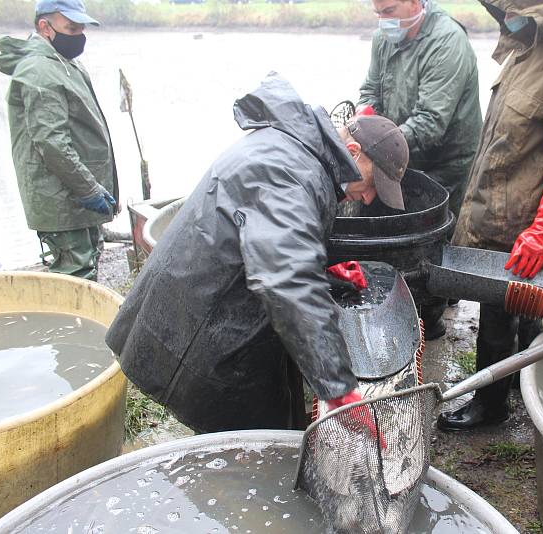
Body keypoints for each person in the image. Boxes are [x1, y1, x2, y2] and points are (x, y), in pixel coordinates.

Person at [106, 73, 409, 434]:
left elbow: (267, 246)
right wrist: (339, 391)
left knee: (278, 426)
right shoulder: (291, 172)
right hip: (195, 339)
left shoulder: (295, 148)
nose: (370, 197)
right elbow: (287, 279)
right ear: (356, 153)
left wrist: (325, 270)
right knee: (248, 454)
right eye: (374, 184)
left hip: (214, 309)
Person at [438, 0, 543, 431]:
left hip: (525, 216)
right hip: (495, 201)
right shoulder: (523, 51)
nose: (503, 15)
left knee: (499, 305)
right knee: (520, 304)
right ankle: (524, 379)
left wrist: (541, 230)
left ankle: (489, 403)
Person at [357, 0, 482, 339]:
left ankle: (431, 317)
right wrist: (364, 120)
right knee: (389, 224)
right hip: (394, 148)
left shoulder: (447, 42)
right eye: (377, 12)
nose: (382, 20)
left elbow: (430, 121)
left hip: (445, 155)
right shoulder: (384, 37)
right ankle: (393, 301)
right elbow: (370, 90)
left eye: (389, 11)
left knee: (432, 234)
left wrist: (376, 149)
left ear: (414, 3)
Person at [0, 0, 118, 281]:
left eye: (81, 29)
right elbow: (52, 142)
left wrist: (100, 186)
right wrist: (89, 190)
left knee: (89, 265)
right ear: (44, 27)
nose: (78, 36)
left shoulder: (64, 62)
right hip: (61, 199)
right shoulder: (39, 71)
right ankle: (74, 326)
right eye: (71, 28)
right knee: (74, 276)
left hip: (78, 195)